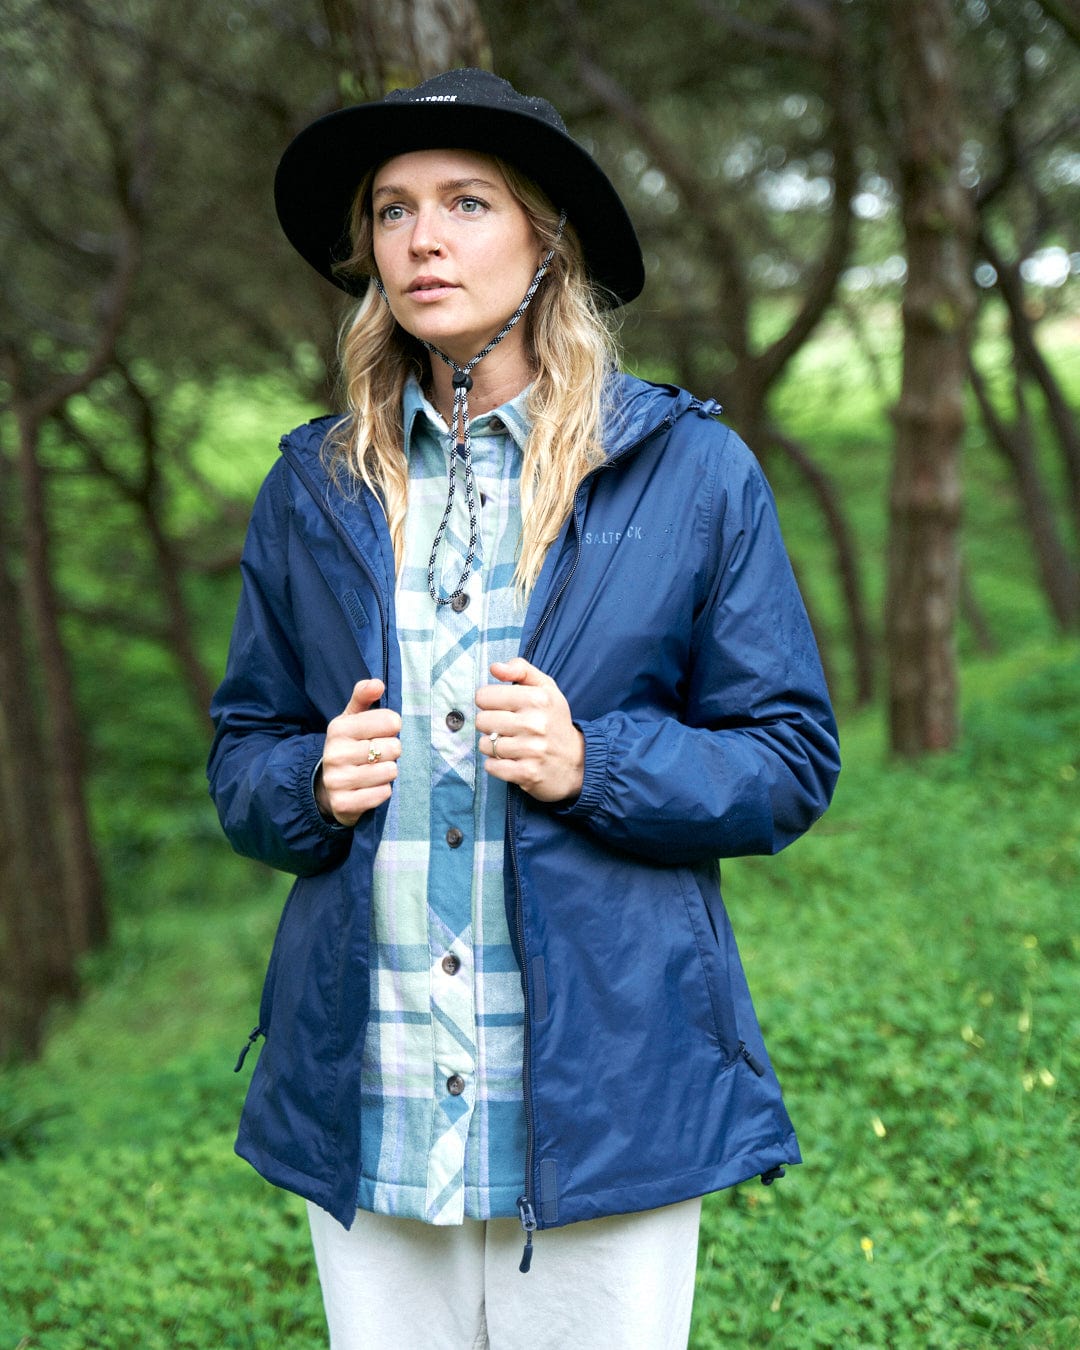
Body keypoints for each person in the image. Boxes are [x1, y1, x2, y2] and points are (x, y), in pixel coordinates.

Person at [208, 67, 840, 1350]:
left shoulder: (690, 471)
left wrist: (592, 762)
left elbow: (787, 760)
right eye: (392, 211)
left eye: (467, 203)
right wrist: (305, 783)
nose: (422, 239)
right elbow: (243, 755)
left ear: (547, 244)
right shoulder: (316, 487)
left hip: (606, 1094)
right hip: (373, 1086)